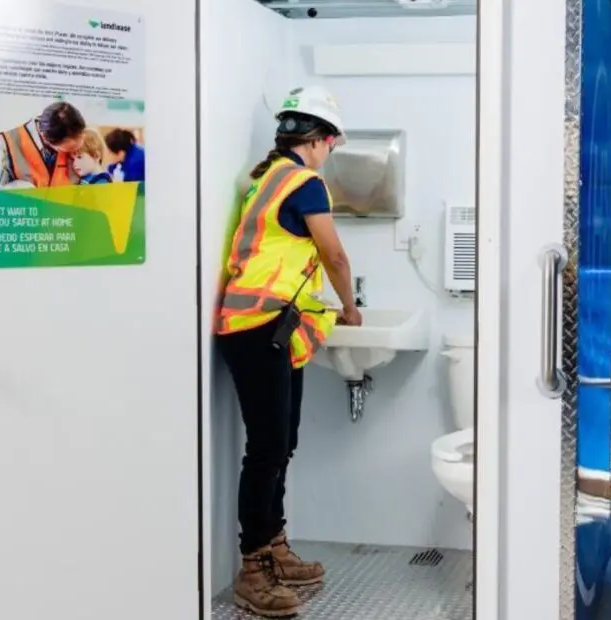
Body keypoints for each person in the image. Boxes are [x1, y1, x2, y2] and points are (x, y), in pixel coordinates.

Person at [215, 85, 362, 618]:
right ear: (320, 141)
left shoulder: (264, 178)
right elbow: (334, 255)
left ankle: (274, 547)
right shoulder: (304, 182)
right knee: (268, 447)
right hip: (257, 325)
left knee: (282, 441)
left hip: (269, 325)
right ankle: (253, 570)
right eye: (332, 144)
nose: (330, 153)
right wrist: (350, 307)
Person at [0, 101, 86, 189]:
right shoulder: (3, 146)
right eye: (71, 148)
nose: (77, 152)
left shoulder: (79, 139)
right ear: (46, 139)